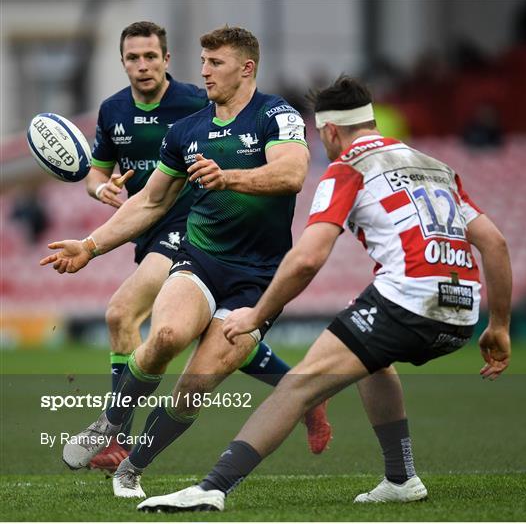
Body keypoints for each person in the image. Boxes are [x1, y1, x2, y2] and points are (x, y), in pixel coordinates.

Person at [135, 76, 512, 513]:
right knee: (374, 361)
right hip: (463, 310)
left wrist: (256, 315)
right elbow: (495, 243)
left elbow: (307, 259)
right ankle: (400, 477)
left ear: (330, 131)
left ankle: (212, 487)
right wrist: (499, 325)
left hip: (411, 297)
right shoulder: (436, 166)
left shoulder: (346, 168)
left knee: (298, 388)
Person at [40, 25, 331, 498]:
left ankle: (131, 468)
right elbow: (151, 203)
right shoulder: (186, 131)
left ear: (246, 67)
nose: (204, 71)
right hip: (199, 258)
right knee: (167, 336)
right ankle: (113, 421)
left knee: (194, 386)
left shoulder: (276, 114)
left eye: (216, 63)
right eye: (203, 61)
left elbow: (293, 172)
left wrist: (229, 177)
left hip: (258, 278)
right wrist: (90, 246)